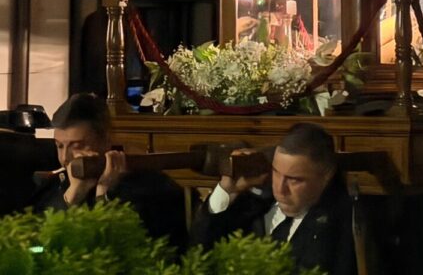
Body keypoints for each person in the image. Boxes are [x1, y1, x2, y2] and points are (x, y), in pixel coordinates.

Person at [190, 122, 357, 275]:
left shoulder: (344, 223)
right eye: (276, 172)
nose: (281, 188)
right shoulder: (254, 205)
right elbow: (198, 252)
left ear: (326, 176)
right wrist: (227, 190)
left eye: (294, 179)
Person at [30, 93, 188, 250]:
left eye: (77, 146)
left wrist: (103, 194)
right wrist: (74, 195)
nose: (65, 158)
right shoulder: (55, 185)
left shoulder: (150, 188)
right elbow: (37, 246)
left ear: (105, 141)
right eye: (59, 146)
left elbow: (116, 250)